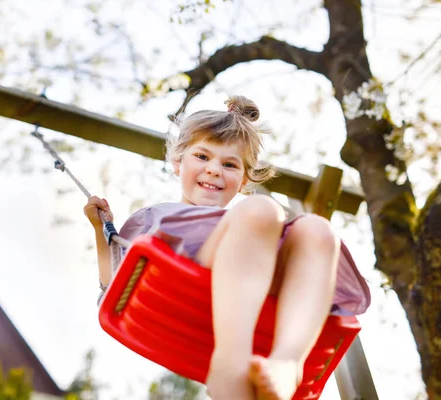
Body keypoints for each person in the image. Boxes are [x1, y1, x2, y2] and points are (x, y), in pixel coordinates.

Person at [84, 96, 371, 400]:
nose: (214, 170)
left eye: (229, 164)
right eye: (203, 157)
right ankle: (230, 363)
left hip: (266, 293)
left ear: (244, 179)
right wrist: (100, 229)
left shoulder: (249, 223)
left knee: (317, 229)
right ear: (178, 163)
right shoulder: (157, 217)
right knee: (262, 210)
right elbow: (115, 284)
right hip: (188, 287)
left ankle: (287, 363)